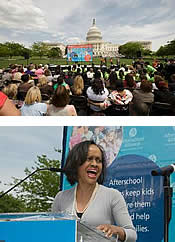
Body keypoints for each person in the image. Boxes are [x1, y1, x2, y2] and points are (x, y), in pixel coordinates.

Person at [52, 140, 137, 242]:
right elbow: (54, 232)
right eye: (89, 159)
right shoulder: (61, 198)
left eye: (98, 160)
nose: (94, 164)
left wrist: (116, 230)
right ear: (76, 163)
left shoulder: (112, 195)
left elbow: (132, 235)